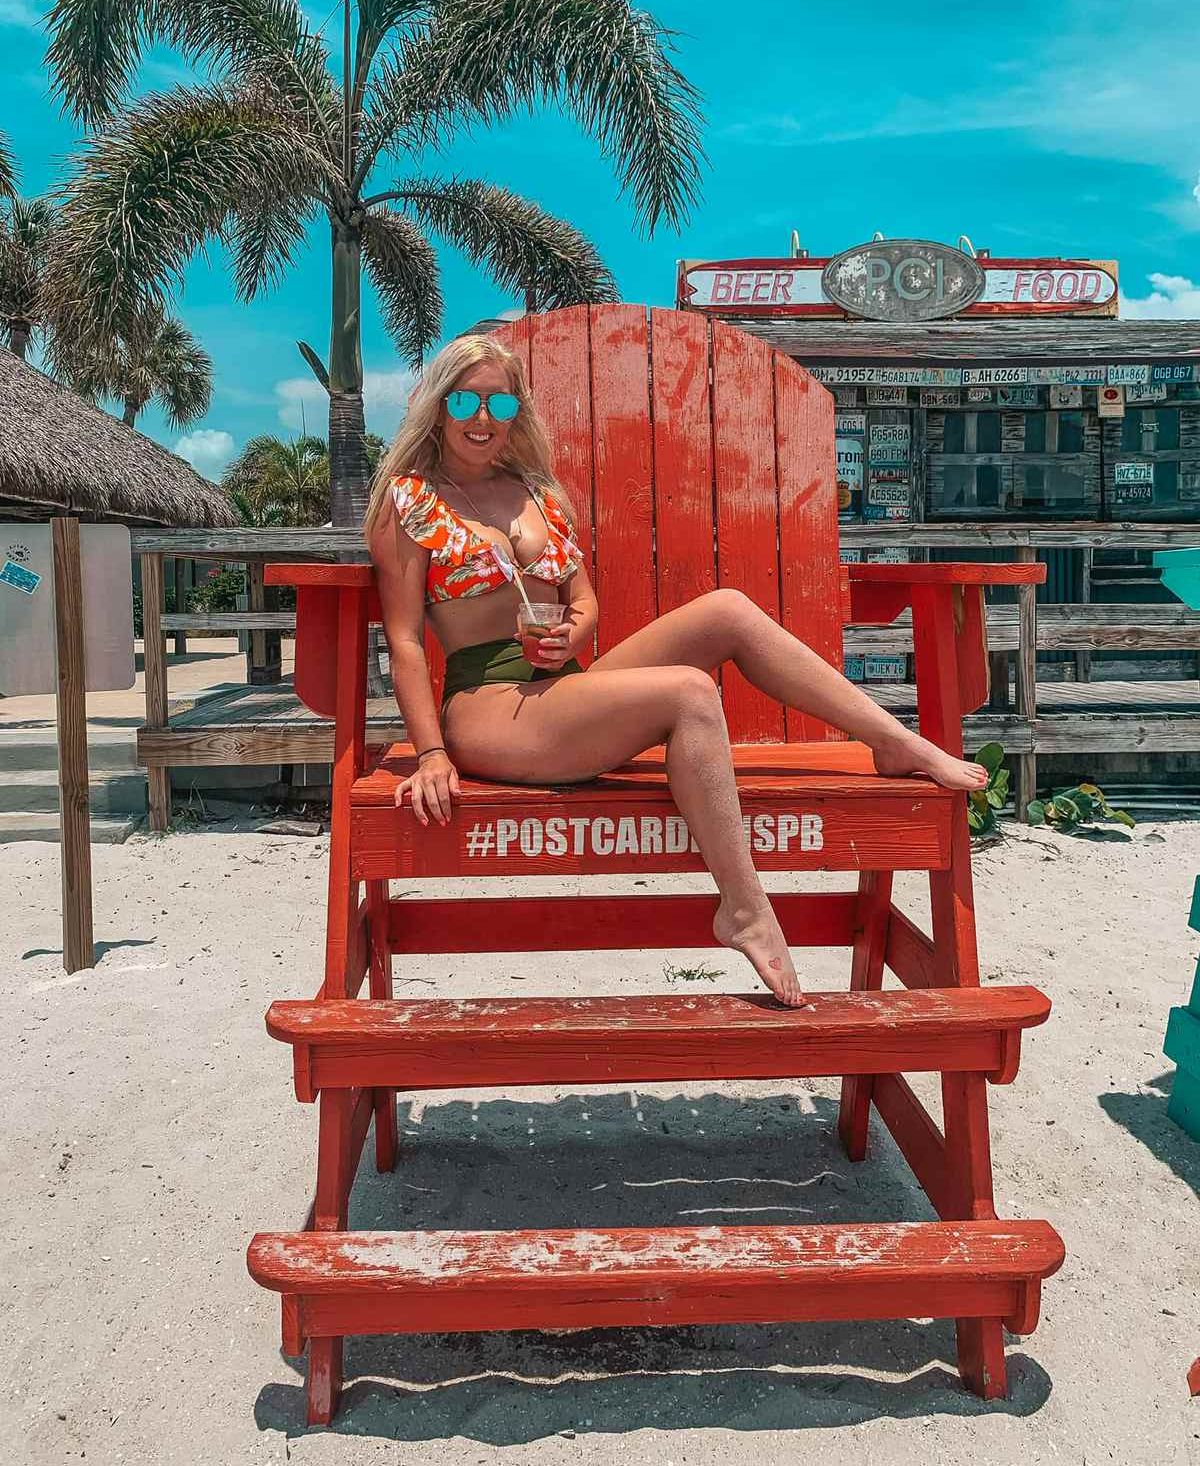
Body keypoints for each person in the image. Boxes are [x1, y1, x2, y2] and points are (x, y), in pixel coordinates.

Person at [364, 334, 987, 1008]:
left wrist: (575, 629)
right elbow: (403, 642)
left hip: (561, 686)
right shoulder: (410, 502)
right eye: (466, 400)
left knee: (728, 610)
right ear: (439, 405)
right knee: (689, 693)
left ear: (517, 410)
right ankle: (744, 908)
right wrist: (429, 753)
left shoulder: (535, 494)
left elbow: (584, 600)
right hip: (487, 707)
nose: (482, 417)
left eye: (499, 400)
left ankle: (891, 741)